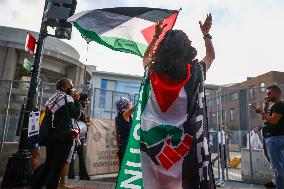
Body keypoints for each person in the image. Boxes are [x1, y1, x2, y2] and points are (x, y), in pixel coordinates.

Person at [138, 14, 215, 188]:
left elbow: (145, 57)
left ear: (163, 49)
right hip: (184, 151)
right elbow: (210, 56)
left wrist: (156, 36)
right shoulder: (195, 72)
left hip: (154, 148)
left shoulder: (152, 73)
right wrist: (206, 34)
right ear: (188, 49)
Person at [31, 78, 81, 189]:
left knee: (48, 165)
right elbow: (76, 114)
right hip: (63, 137)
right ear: (64, 87)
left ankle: (35, 186)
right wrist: (77, 100)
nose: (72, 88)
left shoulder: (53, 98)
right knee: (56, 168)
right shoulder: (67, 98)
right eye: (70, 85)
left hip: (51, 136)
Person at [254, 85, 284, 189]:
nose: (267, 95)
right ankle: (277, 183)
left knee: (277, 167)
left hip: (275, 138)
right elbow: (265, 118)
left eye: (269, 93)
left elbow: (273, 120)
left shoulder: (280, 104)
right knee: (277, 165)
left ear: (276, 93)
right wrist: (265, 105)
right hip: (271, 138)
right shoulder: (273, 106)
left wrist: (261, 112)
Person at [68, 93, 91, 180]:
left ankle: (78, 176)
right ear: (81, 100)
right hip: (75, 137)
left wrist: (86, 123)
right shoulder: (77, 109)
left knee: (79, 157)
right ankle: (73, 176)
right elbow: (75, 122)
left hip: (79, 137)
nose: (87, 102)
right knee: (73, 157)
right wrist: (86, 123)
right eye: (86, 100)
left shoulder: (80, 109)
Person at [115, 97, 135, 164]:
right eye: (129, 103)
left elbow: (117, 134)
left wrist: (119, 146)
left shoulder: (117, 117)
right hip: (127, 144)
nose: (130, 104)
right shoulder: (125, 113)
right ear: (125, 105)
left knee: (122, 166)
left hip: (122, 145)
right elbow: (136, 108)